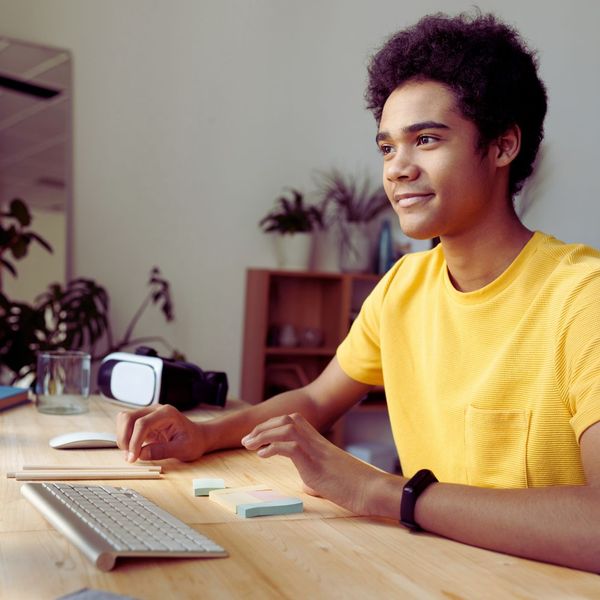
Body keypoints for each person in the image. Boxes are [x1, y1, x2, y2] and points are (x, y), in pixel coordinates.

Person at [116, 12, 600, 572]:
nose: (397, 169)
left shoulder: (581, 298)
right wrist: (204, 434)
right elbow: (317, 400)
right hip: (432, 574)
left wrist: (381, 492)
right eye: (387, 147)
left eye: (426, 139)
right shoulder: (402, 286)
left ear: (502, 146)